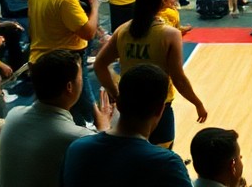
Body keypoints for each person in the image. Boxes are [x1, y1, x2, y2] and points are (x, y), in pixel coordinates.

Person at [95, 0, 208, 148]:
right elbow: (178, 78)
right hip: (158, 105)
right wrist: (197, 103)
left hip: (128, 103)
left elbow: (99, 65)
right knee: (160, 156)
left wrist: (116, 94)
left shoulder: (123, 30)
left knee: (130, 152)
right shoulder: (170, 34)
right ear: (163, 0)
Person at [61, 64, 193, 187]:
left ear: (117, 102)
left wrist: (103, 131)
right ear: (160, 110)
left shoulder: (76, 149)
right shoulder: (168, 164)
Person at [0, 49, 113, 187]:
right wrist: (104, 127)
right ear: (69, 87)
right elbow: (107, 161)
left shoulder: (13, 115)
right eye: (81, 78)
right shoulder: (78, 138)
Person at [29, 0, 100, 125]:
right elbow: (88, 32)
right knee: (87, 107)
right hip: (67, 61)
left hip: (41, 58)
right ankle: (97, 132)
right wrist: (95, 8)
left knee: (56, 110)